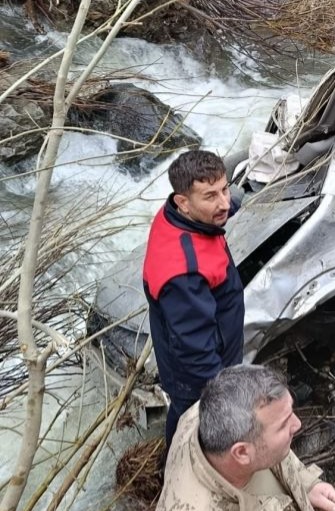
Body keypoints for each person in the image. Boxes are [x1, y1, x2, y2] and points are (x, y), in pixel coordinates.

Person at [143, 150, 245, 450]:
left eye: (225, 189)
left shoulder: (175, 216)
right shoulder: (182, 273)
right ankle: (175, 474)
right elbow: (195, 349)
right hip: (195, 376)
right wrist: (220, 390)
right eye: (211, 196)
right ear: (183, 202)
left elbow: (225, 205)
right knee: (191, 424)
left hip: (204, 348)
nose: (224, 202)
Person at [157, 364, 335, 511]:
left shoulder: (206, 411)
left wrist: (306, 484)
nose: (297, 424)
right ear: (242, 453)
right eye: (284, 424)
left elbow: (274, 450)